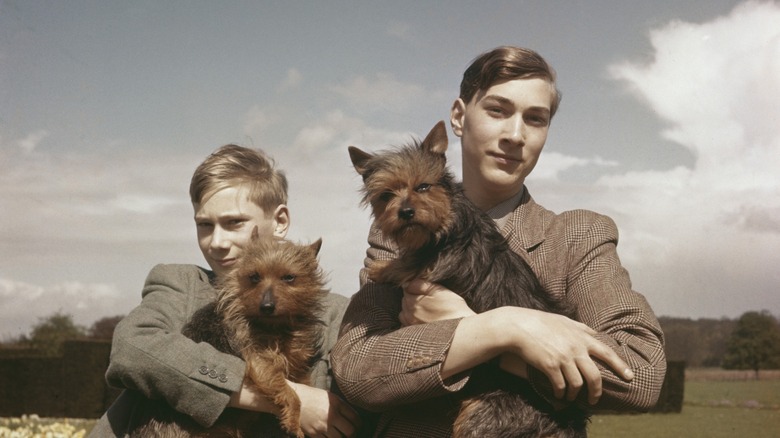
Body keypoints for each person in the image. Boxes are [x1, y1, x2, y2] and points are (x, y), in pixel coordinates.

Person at [331, 46, 666, 436]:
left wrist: (499, 334)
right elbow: (358, 370)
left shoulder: (576, 238)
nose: (514, 135)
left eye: (535, 119)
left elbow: (642, 375)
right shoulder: (398, 238)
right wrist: (496, 330)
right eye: (497, 110)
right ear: (459, 117)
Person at [90, 145, 360, 437]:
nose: (217, 242)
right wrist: (283, 398)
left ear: (280, 221)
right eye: (205, 225)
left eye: (234, 223)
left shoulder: (337, 312)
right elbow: (133, 349)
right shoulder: (180, 283)